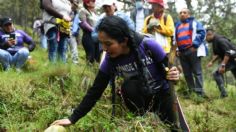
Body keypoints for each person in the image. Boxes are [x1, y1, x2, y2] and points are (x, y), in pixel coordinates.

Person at [51, 16, 180, 130]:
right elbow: (96, 90)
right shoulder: (110, 60)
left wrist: (174, 75)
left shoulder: (148, 45)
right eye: (102, 44)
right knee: (128, 87)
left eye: (108, 44)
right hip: (141, 99)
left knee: (173, 127)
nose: (105, 49)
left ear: (124, 41)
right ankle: (143, 120)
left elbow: (168, 72)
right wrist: (73, 118)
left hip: (163, 95)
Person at [175, 8, 207, 96]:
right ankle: (192, 92)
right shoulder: (177, 25)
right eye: (180, 12)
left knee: (197, 72)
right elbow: (175, 39)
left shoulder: (195, 23)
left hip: (192, 50)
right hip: (182, 52)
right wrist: (177, 50)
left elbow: (202, 33)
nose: (182, 14)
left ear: (188, 14)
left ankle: (200, 93)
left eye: (184, 12)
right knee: (187, 73)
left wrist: (195, 45)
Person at [206, 29, 236, 98]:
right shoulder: (215, 41)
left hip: (233, 59)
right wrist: (211, 62)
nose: (205, 39)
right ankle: (224, 94)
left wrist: (223, 65)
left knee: (216, 73)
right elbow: (218, 54)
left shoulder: (220, 40)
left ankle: (224, 94)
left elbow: (228, 52)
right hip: (231, 59)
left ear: (209, 34)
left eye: (205, 37)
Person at [68, 0, 80, 64]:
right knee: (64, 47)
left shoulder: (76, 12)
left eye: (76, 5)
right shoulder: (66, 9)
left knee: (74, 48)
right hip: (64, 30)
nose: (75, 6)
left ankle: (75, 62)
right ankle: (64, 62)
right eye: (74, 4)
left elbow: (77, 24)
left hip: (72, 32)